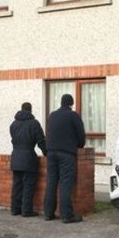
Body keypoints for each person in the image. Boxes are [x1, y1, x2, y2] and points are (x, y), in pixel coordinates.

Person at [44, 94, 86, 223]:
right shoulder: (73, 115)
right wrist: (78, 145)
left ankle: (48, 213)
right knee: (65, 183)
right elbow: (81, 135)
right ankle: (67, 215)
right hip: (66, 153)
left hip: (50, 152)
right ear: (71, 103)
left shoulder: (52, 115)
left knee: (51, 182)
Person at [9, 102, 47, 217]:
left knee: (17, 185)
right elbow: (41, 140)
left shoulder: (13, 124)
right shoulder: (34, 124)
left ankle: (15, 209)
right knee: (28, 185)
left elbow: (14, 139)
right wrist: (46, 152)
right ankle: (26, 210)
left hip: (15, 157)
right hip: (28, 158)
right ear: (30, 110)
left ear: (21, 109)